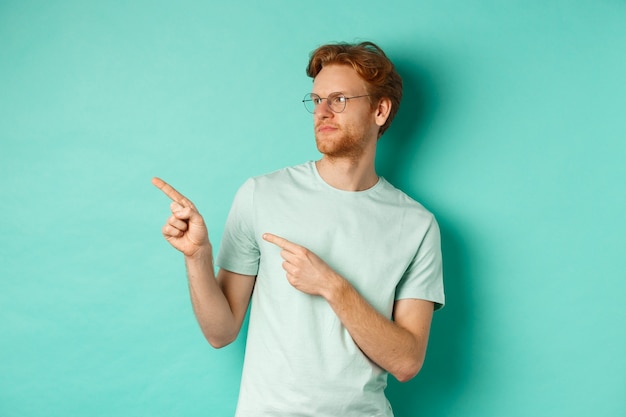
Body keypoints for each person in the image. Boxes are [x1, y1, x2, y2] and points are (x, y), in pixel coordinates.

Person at [153, 41, 445, 417]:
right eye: (316, 99)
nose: (322, 111)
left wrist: (331, 285)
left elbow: (406, 361)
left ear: (380, 110)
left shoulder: (416, 226)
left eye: (338, 99)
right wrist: (197, 257)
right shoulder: (262, 194)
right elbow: (220, 332)